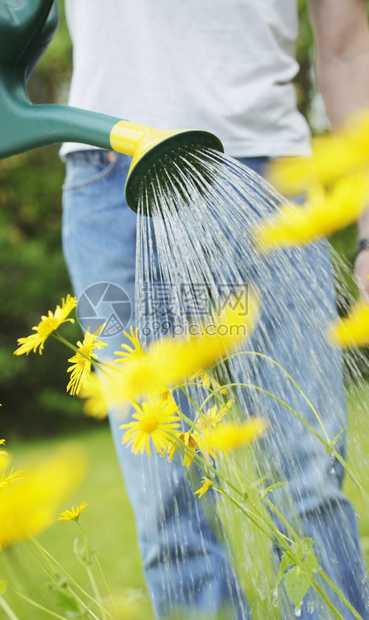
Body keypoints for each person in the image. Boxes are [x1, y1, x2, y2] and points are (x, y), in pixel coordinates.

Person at [60, 1, 369, 618]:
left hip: (268, 174)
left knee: (307, 481)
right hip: (107, 179)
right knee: (166, 505)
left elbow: (349, 46)